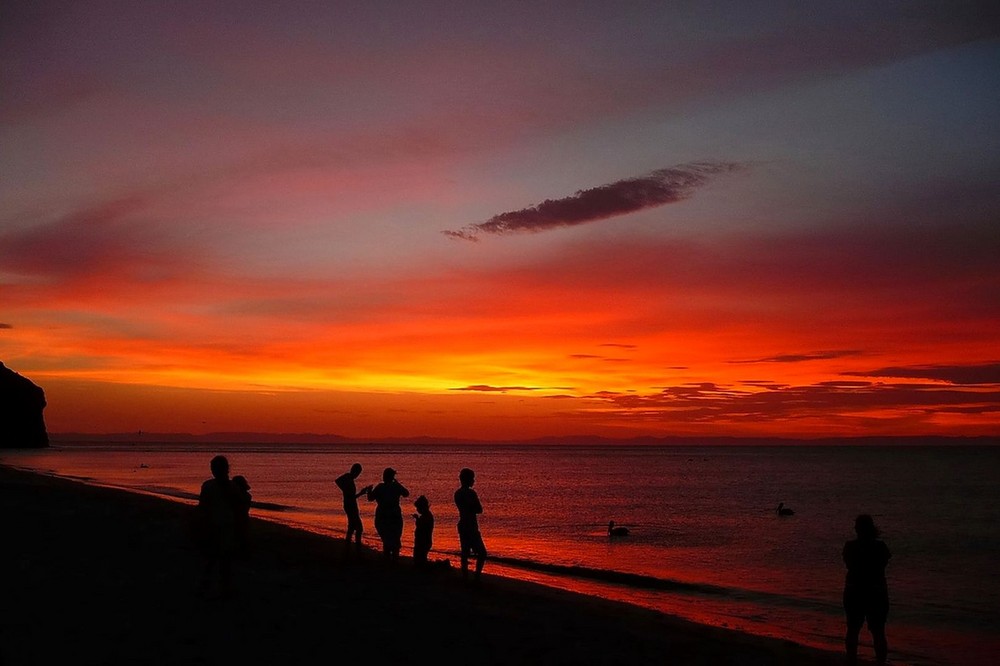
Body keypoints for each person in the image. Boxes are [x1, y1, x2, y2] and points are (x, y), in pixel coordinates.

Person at [843, 514, 891, 665]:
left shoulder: (850, 547)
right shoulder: (880, 547)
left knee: (853, 630)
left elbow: (849, 565)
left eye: (857, 526)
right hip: (875, 592)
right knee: (878, 632)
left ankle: (852, 661)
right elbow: (883, 564)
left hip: (855, 592)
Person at [196, 455, 239, 597]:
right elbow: (238, 509)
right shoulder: (232, 487)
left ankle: (209, 586)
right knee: (223, 559)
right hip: (225, 525)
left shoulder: (209, 486)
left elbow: (203, 507)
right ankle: (222, 588)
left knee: (212, 558)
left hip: (214, 525)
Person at [366, 467, 409, 560]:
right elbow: (406, 493)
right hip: (394, 516)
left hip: (383, 516)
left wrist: (369, 490)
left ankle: (388, 560)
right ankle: (394, 560)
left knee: (386, 539)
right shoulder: (396, 486)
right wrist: (397, 483)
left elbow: (370, 498)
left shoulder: (380, 487)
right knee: (395, 538)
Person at [454, 467, 487, 580]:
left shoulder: (457, 493)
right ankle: (476, 577)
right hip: (471, 526)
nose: (473, 481)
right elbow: (479, 509)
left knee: (465, 552)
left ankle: (465, 577)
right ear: (467, 479)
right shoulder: (471, 493)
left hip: (462, 524)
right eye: (472, 479)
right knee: (482, 553)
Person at [335, 463, 372, 554]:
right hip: (350, 505)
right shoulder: (348, 478)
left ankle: (349, 548)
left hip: (350, 504)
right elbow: (338, 482)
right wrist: (361, 493)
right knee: (359, 528)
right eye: (358, 473)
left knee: (351, 527)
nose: (358, 475)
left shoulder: (349, 478)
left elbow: (339, 483)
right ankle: (356, 549)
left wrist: (358, 493)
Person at [232, 474, 252, 557]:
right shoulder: (247, 496)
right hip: (243, 517)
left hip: (239, 517)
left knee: (239, 535)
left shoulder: (239, 496)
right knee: (242, 535)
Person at [412, 495, 434, 567]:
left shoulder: (427, 516)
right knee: (420, 558)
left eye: (418, 508)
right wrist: (417, 518)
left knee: (420, 558)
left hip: (423, 541)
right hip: (423, 541)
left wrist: (417, 519)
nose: (417, 510)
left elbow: (422, 527)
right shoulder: (426, 515)